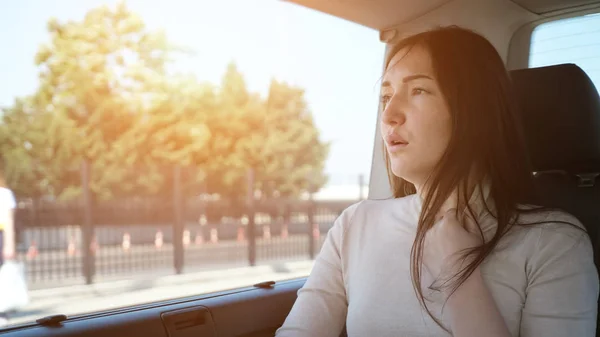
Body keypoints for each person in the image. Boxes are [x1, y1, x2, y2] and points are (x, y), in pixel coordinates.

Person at [275, 26, 599, 337]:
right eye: (386, 96)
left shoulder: (554, 243)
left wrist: (458, 271)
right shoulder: (354, 225)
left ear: (474, 110)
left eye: (418, 90)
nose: (389, 114)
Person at [0, 169, 17, 327]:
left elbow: (9, 222)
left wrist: (9, 244)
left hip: (1, 235)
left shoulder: (5, 194)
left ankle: (2, 312)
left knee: (2, 277)